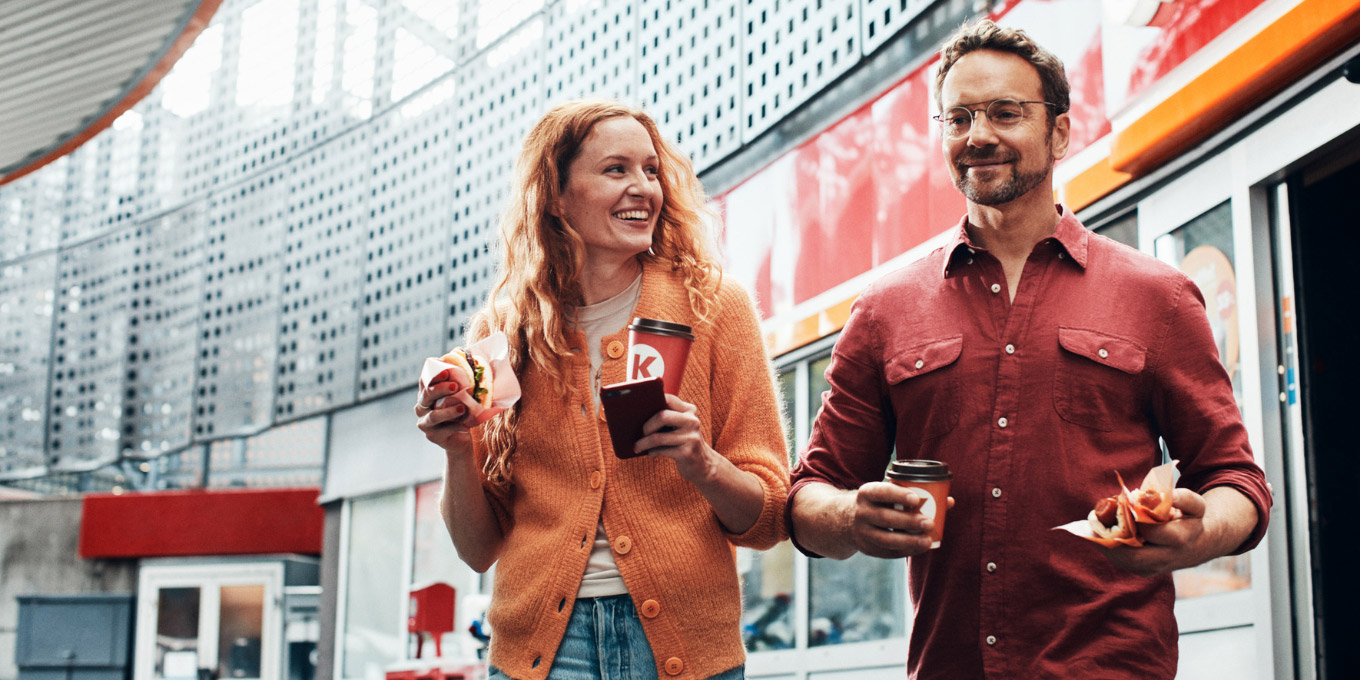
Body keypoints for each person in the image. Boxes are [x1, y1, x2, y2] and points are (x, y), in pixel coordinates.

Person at [786, 20, 1271, 679]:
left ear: (1061, 132)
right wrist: (847, 516)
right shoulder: (882, 310)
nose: (979, 135)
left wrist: (1197, 532)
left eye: (1006, 113)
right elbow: (810, 495)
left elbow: (1237, 482)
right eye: (958, 118)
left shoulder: (1157, 295)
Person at [415, 99, 789, 680]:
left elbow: (769, 518)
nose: (643, 187)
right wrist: (458, 450)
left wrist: (702, 464)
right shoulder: (506, 331)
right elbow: (477, 548)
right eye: (616, 170)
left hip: (687, 646)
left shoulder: (714, 307)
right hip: (541, 650)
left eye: (650, 170)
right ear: (557, 196)